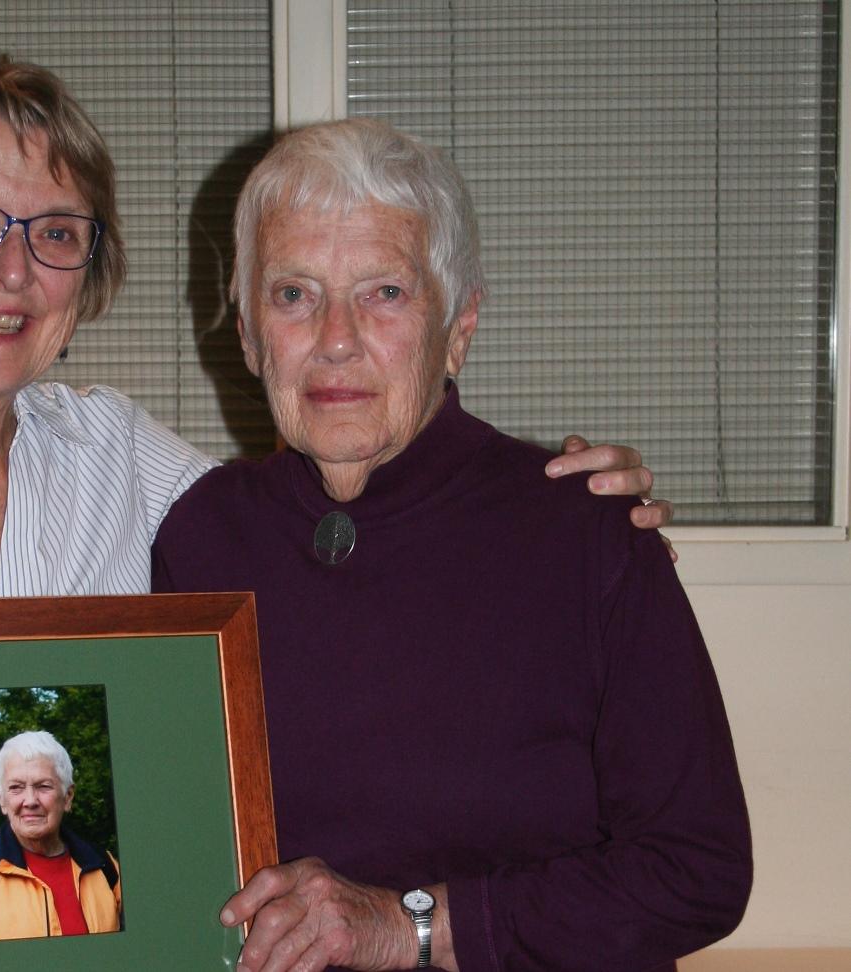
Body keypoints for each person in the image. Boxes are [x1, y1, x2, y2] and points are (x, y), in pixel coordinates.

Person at [0, 51, 667, 855]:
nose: (11, 270)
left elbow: (340, 515)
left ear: (84, 278)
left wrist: (558, 501)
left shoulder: (124, 458)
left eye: (55, 232)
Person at [150, 119, 751, 972]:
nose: (336, 337)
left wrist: (412, 928)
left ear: (459, 325)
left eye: (385, 292)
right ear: (248, 335)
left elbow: (699, 870)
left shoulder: (585, 533)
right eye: (293, 294)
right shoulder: (201, 536)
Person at [0, 731, 121, 942]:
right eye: (16, 788)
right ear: (2, 800)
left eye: (43, 786)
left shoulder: (105, 866)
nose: (30, 801)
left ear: (68, 797)